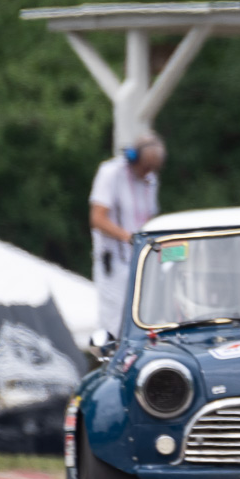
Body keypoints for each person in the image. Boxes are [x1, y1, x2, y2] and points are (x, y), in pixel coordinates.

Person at [89, 132, 165, 335]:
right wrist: (128, 237)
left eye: (152, 168)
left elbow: (150, 218)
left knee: (148, 321)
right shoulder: (110, 173)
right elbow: (97, 218)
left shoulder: (151, 180)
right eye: (145, 166)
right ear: (133, 157)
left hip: (142, 261)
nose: (147, 172)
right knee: (116, 325)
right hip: (114, 263)